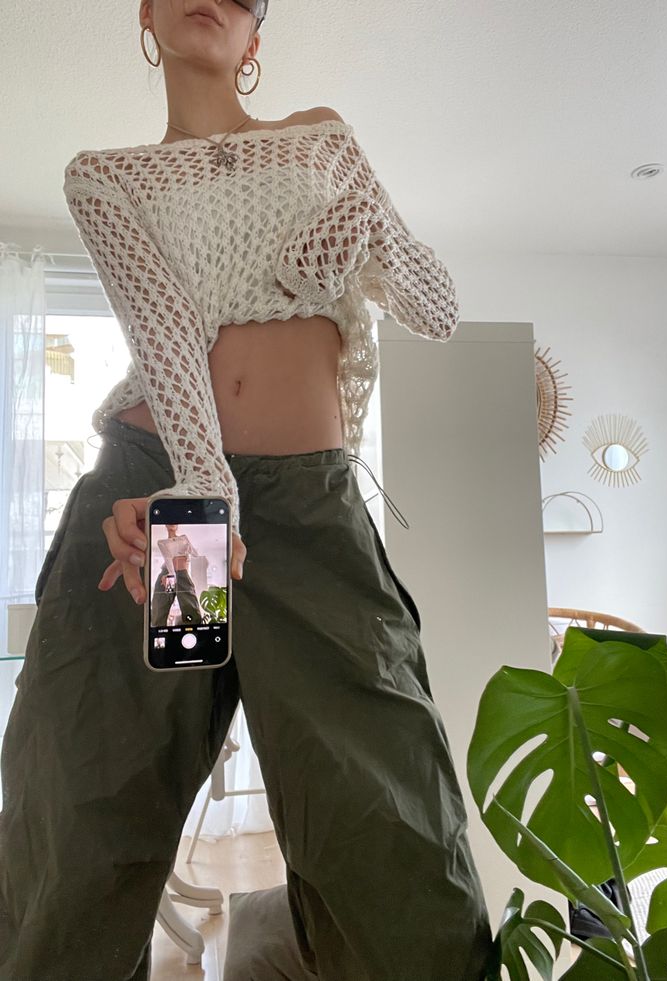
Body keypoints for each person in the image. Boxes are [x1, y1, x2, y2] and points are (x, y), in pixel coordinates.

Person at [0, 1, 496, 979]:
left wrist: (366, 236)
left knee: (386, 828)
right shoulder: (107, 176)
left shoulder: (321, 138)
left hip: (308, 520)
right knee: (89, 823)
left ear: (257, 39)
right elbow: (166, 341)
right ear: (146, 15)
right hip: (165, 501)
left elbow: (436, 308)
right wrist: (198, 490)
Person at [151, 523, 203, 626]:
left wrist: (189, 546)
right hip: (168, 573)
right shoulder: (162, 542)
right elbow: (168, 558)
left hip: (182, 573)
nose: (171, 523)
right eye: (168, 522)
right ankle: (159, 636)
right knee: (160, 606)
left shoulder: (183, 538)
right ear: (165, 525)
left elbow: (196, 554)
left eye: (174, 522)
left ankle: (195, 634)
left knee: (190, 607)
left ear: (177, 525)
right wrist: (171, 576)